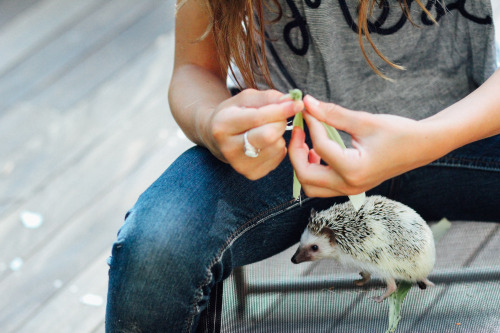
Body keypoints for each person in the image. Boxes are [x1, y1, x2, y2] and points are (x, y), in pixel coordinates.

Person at [105, 0, 500, 332]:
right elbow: (195, 67)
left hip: (468, 125)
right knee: (158, 247)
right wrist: (211, 121)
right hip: (293, 145)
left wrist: (430, 138)